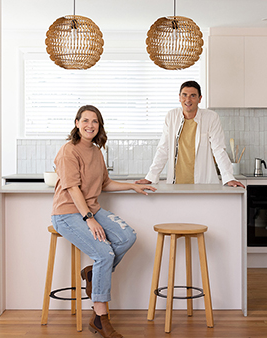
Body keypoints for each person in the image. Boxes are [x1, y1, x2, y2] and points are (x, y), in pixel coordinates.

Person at [51, 105, 156, 338]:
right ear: (76, 123)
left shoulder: (97, 151)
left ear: (99, 125)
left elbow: (104, 183)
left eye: (95, 121)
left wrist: (131, 185)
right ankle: (100, 318)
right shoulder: (68, 151)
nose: (90, 125)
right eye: (85, 120)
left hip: (91, 209)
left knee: (128, 236)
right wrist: (89, 219)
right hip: (67, 213)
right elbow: (72, 188)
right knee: (104, 254)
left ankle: (92, 274)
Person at [136, 81, 244, 188]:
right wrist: (151, 177)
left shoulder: (211, 117)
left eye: (193, 95)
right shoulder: (171, 116)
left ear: (199, 99)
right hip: (176, 184)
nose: (188, 100)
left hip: (204, 183)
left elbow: (218, 149)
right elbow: (163, 149)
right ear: (179, 97)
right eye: (184, 95)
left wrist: (228, 177)